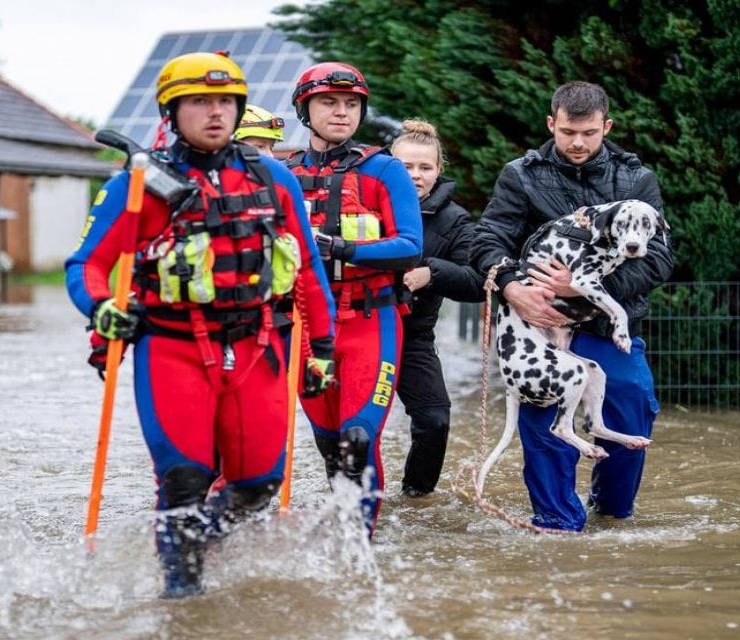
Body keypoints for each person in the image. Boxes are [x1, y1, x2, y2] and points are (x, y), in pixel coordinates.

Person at [64, 51, 336, 598]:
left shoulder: (272, 177)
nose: (214, 113)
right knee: (184, 480)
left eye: (224, 102)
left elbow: (307, 267)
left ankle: (193, 540)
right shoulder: (138, 185)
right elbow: (87, 264)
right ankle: (182, 599)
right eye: (198, 102)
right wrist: (101, 309)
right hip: (172, 348)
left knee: (257, 487)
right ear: (172, 111)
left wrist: (322, 346)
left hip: (258, 346)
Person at [469, 80, 673, 532]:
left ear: (606, 126)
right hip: (535, 322)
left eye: (588, 133)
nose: (577, 143)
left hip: (604, 323)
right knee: (544, 428)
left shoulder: (636, 178)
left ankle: (612, 514)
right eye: (567, 132)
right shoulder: (520, 174)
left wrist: (583, 287)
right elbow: (487, 240)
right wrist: (510, 286)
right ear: (551, 124)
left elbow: (660, 257)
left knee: (631, 406)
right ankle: (557, 525)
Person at [286, 61, 423, 536]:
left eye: (351, 104)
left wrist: (341, 248)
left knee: (358, 440)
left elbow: (410, 246)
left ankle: (362, 546)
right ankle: (344, 533)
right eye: (328, 102)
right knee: (330, 446)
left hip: (371, 320)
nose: (341, 112)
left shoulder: (385, 170)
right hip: (306, 326)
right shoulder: (283, 175)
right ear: (305, 110)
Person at [388, 119, 485, 497]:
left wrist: (432, 273)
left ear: (438, 170)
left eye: (425, 167)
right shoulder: (365, 204)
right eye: (405, 167)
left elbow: (476, 281)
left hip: (414, 336)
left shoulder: (454, 220)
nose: (415, 176)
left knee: (434, 420)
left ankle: (416, 496)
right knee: (355, 427)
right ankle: (353, 499)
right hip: (363, 327)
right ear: (389, 166)